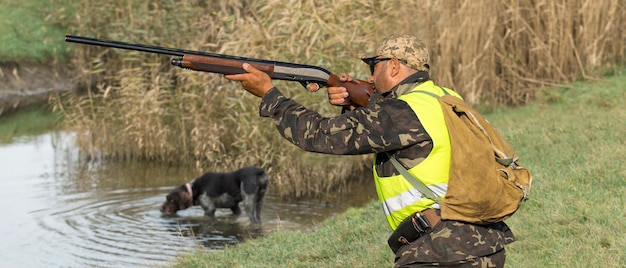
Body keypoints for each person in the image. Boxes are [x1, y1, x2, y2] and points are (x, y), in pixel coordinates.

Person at [224, 35, 515, 267]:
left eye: (373, 66)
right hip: (484, 243)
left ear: (394, 66)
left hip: (440, 251)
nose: (371, 77)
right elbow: (403, 135)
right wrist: (353, 104)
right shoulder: (445, 97)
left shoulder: (400, 112)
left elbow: (318, 135)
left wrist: (270, 96)